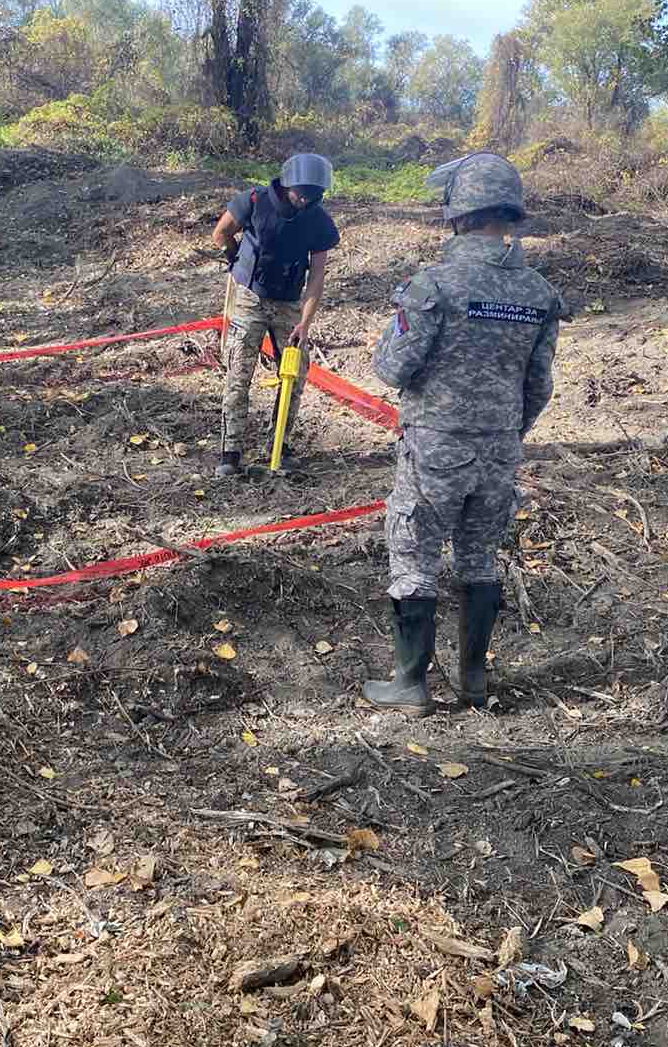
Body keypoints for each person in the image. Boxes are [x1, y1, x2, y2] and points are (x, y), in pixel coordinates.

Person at [361, 152, 563, 715]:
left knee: (414, 556)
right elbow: (539, 385)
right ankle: (473, 679)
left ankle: (409, 683)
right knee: (479, 559)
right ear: (509, 214)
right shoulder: (539, 294)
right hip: (500, 449)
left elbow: (393, 369)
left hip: (435, 447)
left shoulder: (435, 285)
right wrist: (505, 430)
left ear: (458, 215)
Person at [209, 153, 340, 477]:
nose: (306, 200)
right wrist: (236, 259)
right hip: (250, 296)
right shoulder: (254, 200)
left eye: (314, 195)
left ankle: (280, 442)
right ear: (286, 185)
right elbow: (221, 232)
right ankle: (231, 450)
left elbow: (317, 277)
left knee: (295, 373)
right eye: (301, 193)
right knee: (239, 371)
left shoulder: (318, 221)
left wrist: (304, 324)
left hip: (289, 304)